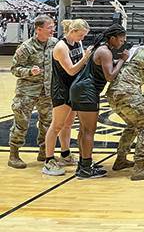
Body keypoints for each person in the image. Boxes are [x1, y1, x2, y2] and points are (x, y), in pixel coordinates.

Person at [106, 30, 144, 180]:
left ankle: (120, 160)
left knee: (133, 125)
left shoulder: (137, 49)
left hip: (114, 93)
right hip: (128, 93)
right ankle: (139, 168)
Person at [70, 24, 128, 179]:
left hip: (79, 89)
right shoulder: (105, 51)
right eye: (121, 40)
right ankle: (86, 169)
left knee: (83, 129)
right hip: (86, 91)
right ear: (113, 38)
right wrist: (122, 60)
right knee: (89, 130)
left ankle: (84, 165)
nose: (122, 43)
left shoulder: (101, 48)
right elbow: (110, 76)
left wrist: (118, 61)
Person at [42, 19, 92, 176]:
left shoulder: (76, 43)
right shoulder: (61, 47)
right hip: (61, 90)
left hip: (73, 89)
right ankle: (48, 160)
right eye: (81, 35)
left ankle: (65, 154)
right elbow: (71, 70)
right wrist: (85, 58)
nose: (82, 39)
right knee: (56, 125)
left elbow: (82, 63)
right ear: (72, 32)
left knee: (68, 124)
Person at [8, 15, 58, 169]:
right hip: (27, 93)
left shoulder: (55, 44)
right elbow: (14, 69)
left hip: (47, 92)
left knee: (47, 123)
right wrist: (29, 72)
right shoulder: (26, 47)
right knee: (22, 123)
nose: (53, 30)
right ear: (39, 29)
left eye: (53, 26)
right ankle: (14, 155)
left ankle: (44, 152)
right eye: (50, 27)